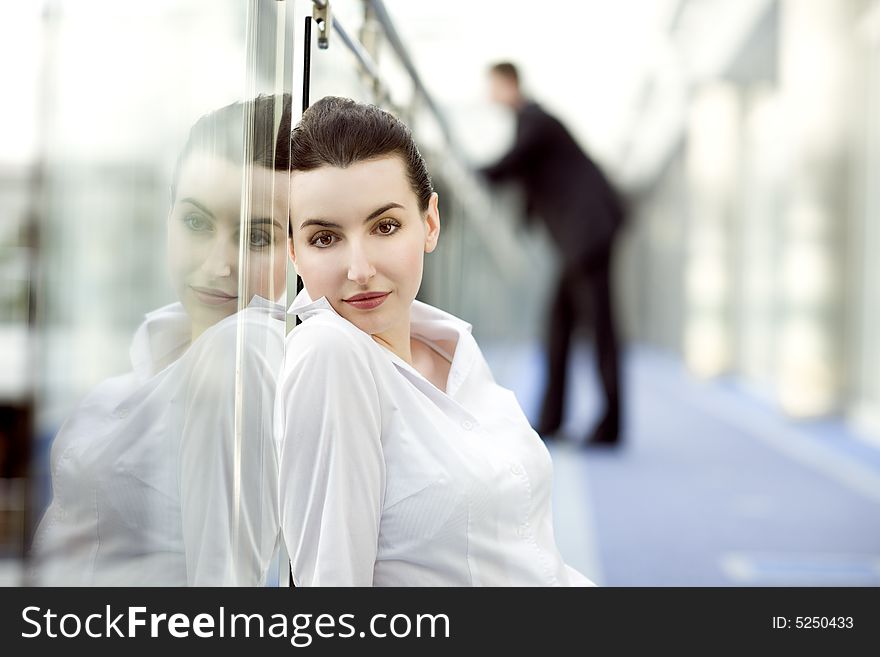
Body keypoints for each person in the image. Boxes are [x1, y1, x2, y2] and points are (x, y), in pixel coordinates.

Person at [277, 96, 595, 586]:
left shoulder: (453, 346)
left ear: (429, 223)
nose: (360, 271)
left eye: (385, 227)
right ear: (293, 251)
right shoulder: (330, 356)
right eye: (325, 239)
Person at [29, 94, 291, 586]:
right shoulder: (146, 360)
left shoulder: (245, 357)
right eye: (195, 222)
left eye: (257, 237)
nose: (218, 265)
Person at [480, 62, 624, 446]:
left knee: (599, 328)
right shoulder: (532, 122)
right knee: (558, 325)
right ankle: (553, 418)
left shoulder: (535, 119)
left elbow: (510, 163)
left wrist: (472, 171)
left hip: (588, 233)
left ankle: (610, 425)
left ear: (508, 84)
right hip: (577, 238)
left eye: (492, 86)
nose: (488, 96)